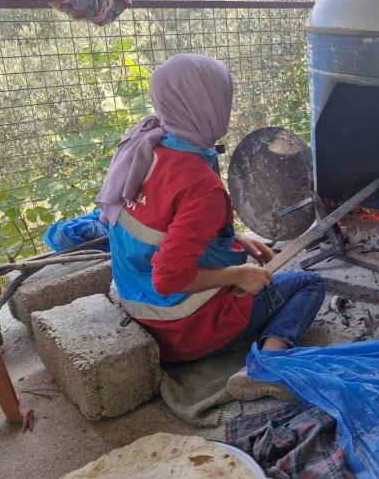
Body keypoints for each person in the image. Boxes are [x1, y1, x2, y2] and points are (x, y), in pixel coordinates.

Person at [96, 53, 324, 400]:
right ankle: (266, 366)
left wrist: (230, 237)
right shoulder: (201, 187)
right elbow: (168, 278)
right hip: (180, 328)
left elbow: (164, 224)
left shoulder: (145, 146)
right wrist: (237, 275)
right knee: (310, 284)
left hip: (136, 301)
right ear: (210, 105)